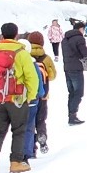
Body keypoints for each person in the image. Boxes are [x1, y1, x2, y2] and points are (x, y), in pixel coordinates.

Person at [0, 21, 40, 173]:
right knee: (19, 130)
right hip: (16, 99)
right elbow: (32, 78)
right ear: (16, 36)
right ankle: (15, 163)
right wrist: (31, 96)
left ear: (1, 36)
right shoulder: (21, 52)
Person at [24, 30, 58, 161]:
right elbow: (53, 76)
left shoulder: (25, 56)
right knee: (41, 119)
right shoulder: (46, 58)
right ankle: (42, 134)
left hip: (29, 96)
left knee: (29, 121)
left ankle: (31, 148)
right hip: (43, 96)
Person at [60, 18, 87, 124]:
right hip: (76, 68)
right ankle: (73, 116)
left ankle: (71, 115)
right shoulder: (79, 38)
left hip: (67, 68)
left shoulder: (65, 39)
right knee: (78, 93)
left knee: (71, 93)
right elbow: (84, 52)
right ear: (80, 29)